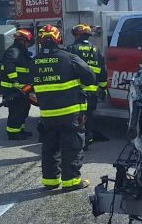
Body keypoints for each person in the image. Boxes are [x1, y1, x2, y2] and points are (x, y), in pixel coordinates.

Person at [31, 24, 96, 191]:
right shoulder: (69, 58)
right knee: (72, 146)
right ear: (58, 38)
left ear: (40, 41)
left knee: (50, 147)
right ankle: (71, 181)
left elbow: (28, 84)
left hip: (47, 114)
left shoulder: (34, 62)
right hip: (70, 113)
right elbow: (90, 76)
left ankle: (50, 181)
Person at [65, 24, 109, 147]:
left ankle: (80, 141)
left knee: (76, 116)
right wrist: (103, 88)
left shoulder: (70, 49)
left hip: (76, 90)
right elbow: (103, 70)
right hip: (92, 91)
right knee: (89, 114)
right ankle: (89, 137)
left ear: (77, 35)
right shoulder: (96, 50)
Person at [0, 28, 34, 140]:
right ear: (22, 41)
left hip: (22, 88)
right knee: (16, 111)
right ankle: (13, 133)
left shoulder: (20, 52)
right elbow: (10, 66)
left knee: (24, 109)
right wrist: (15, 82)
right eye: (28, 42)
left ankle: (20, 129)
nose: (28, 45)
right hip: (13, 88)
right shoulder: (14, 51)